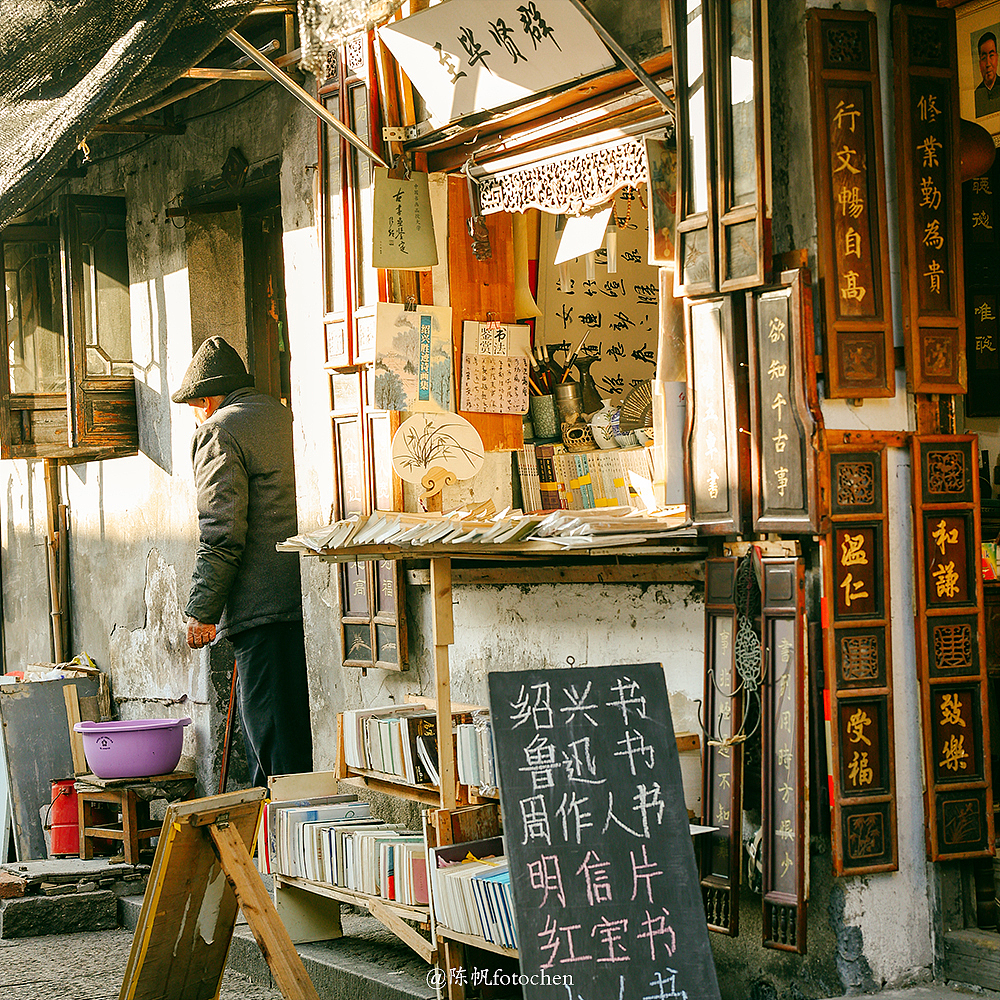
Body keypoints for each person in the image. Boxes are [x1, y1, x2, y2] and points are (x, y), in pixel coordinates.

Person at [172, 336, 313, 787]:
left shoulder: (218, 430)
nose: (198, 414)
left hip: (261, 607)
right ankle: (270, 848)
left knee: (273, 749)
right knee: (289, 737)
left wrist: (202, 611)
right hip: (305, 597)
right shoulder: (284, 413)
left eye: (196, 405)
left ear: (208, 398)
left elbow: (222, 531)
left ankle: (283, 851)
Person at [976, 31, 1000, 119]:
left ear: (997, 58)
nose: (988, 63)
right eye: (983, 58)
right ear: (979, 64)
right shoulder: (976, 95)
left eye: (991, 55)